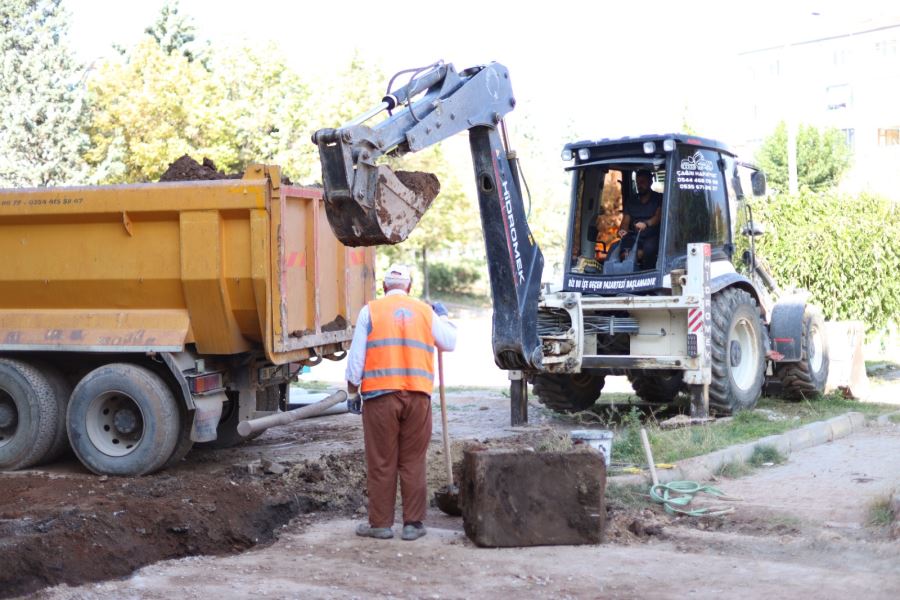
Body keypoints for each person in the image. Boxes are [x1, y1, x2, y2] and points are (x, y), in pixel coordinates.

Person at [345, 264, 457, 541]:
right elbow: (450, 342)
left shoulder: (370, 310)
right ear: (409, 286)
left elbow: (356, 358)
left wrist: (351, 391)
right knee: (413, 461)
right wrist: (443, 316)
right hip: (418, 397)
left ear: (384, 287)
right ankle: (413, 525)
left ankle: (381, 524)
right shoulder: (425, 311)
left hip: (380, 397)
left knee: (382, 460)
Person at [616, 169, 662, 267]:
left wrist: (646, 224)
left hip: (653, 236)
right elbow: (625, 221)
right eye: (638, 183)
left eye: (643, 182)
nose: (640, 185)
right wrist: (622, 231)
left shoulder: (659, 198)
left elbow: (658, 217)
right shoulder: (631, 201)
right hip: (635, 236)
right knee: (620, 249)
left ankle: (648, 272)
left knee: (649, 248)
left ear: (651, 182)